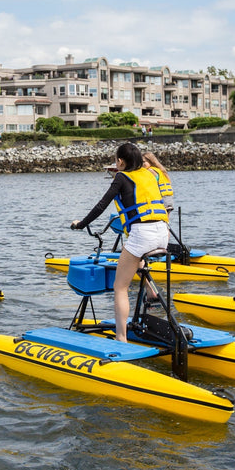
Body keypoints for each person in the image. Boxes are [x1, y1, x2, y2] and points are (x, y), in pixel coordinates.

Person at [71, 143, 169, 343]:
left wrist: (81, 224)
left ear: (121, 161)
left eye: (116, 160)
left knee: (120, 286)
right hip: (163, 232)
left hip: (143, 234)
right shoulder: (150, 174)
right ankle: (151, 292)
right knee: (135, 257)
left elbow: (101, 205)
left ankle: (121, 337)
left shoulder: (122, 177)